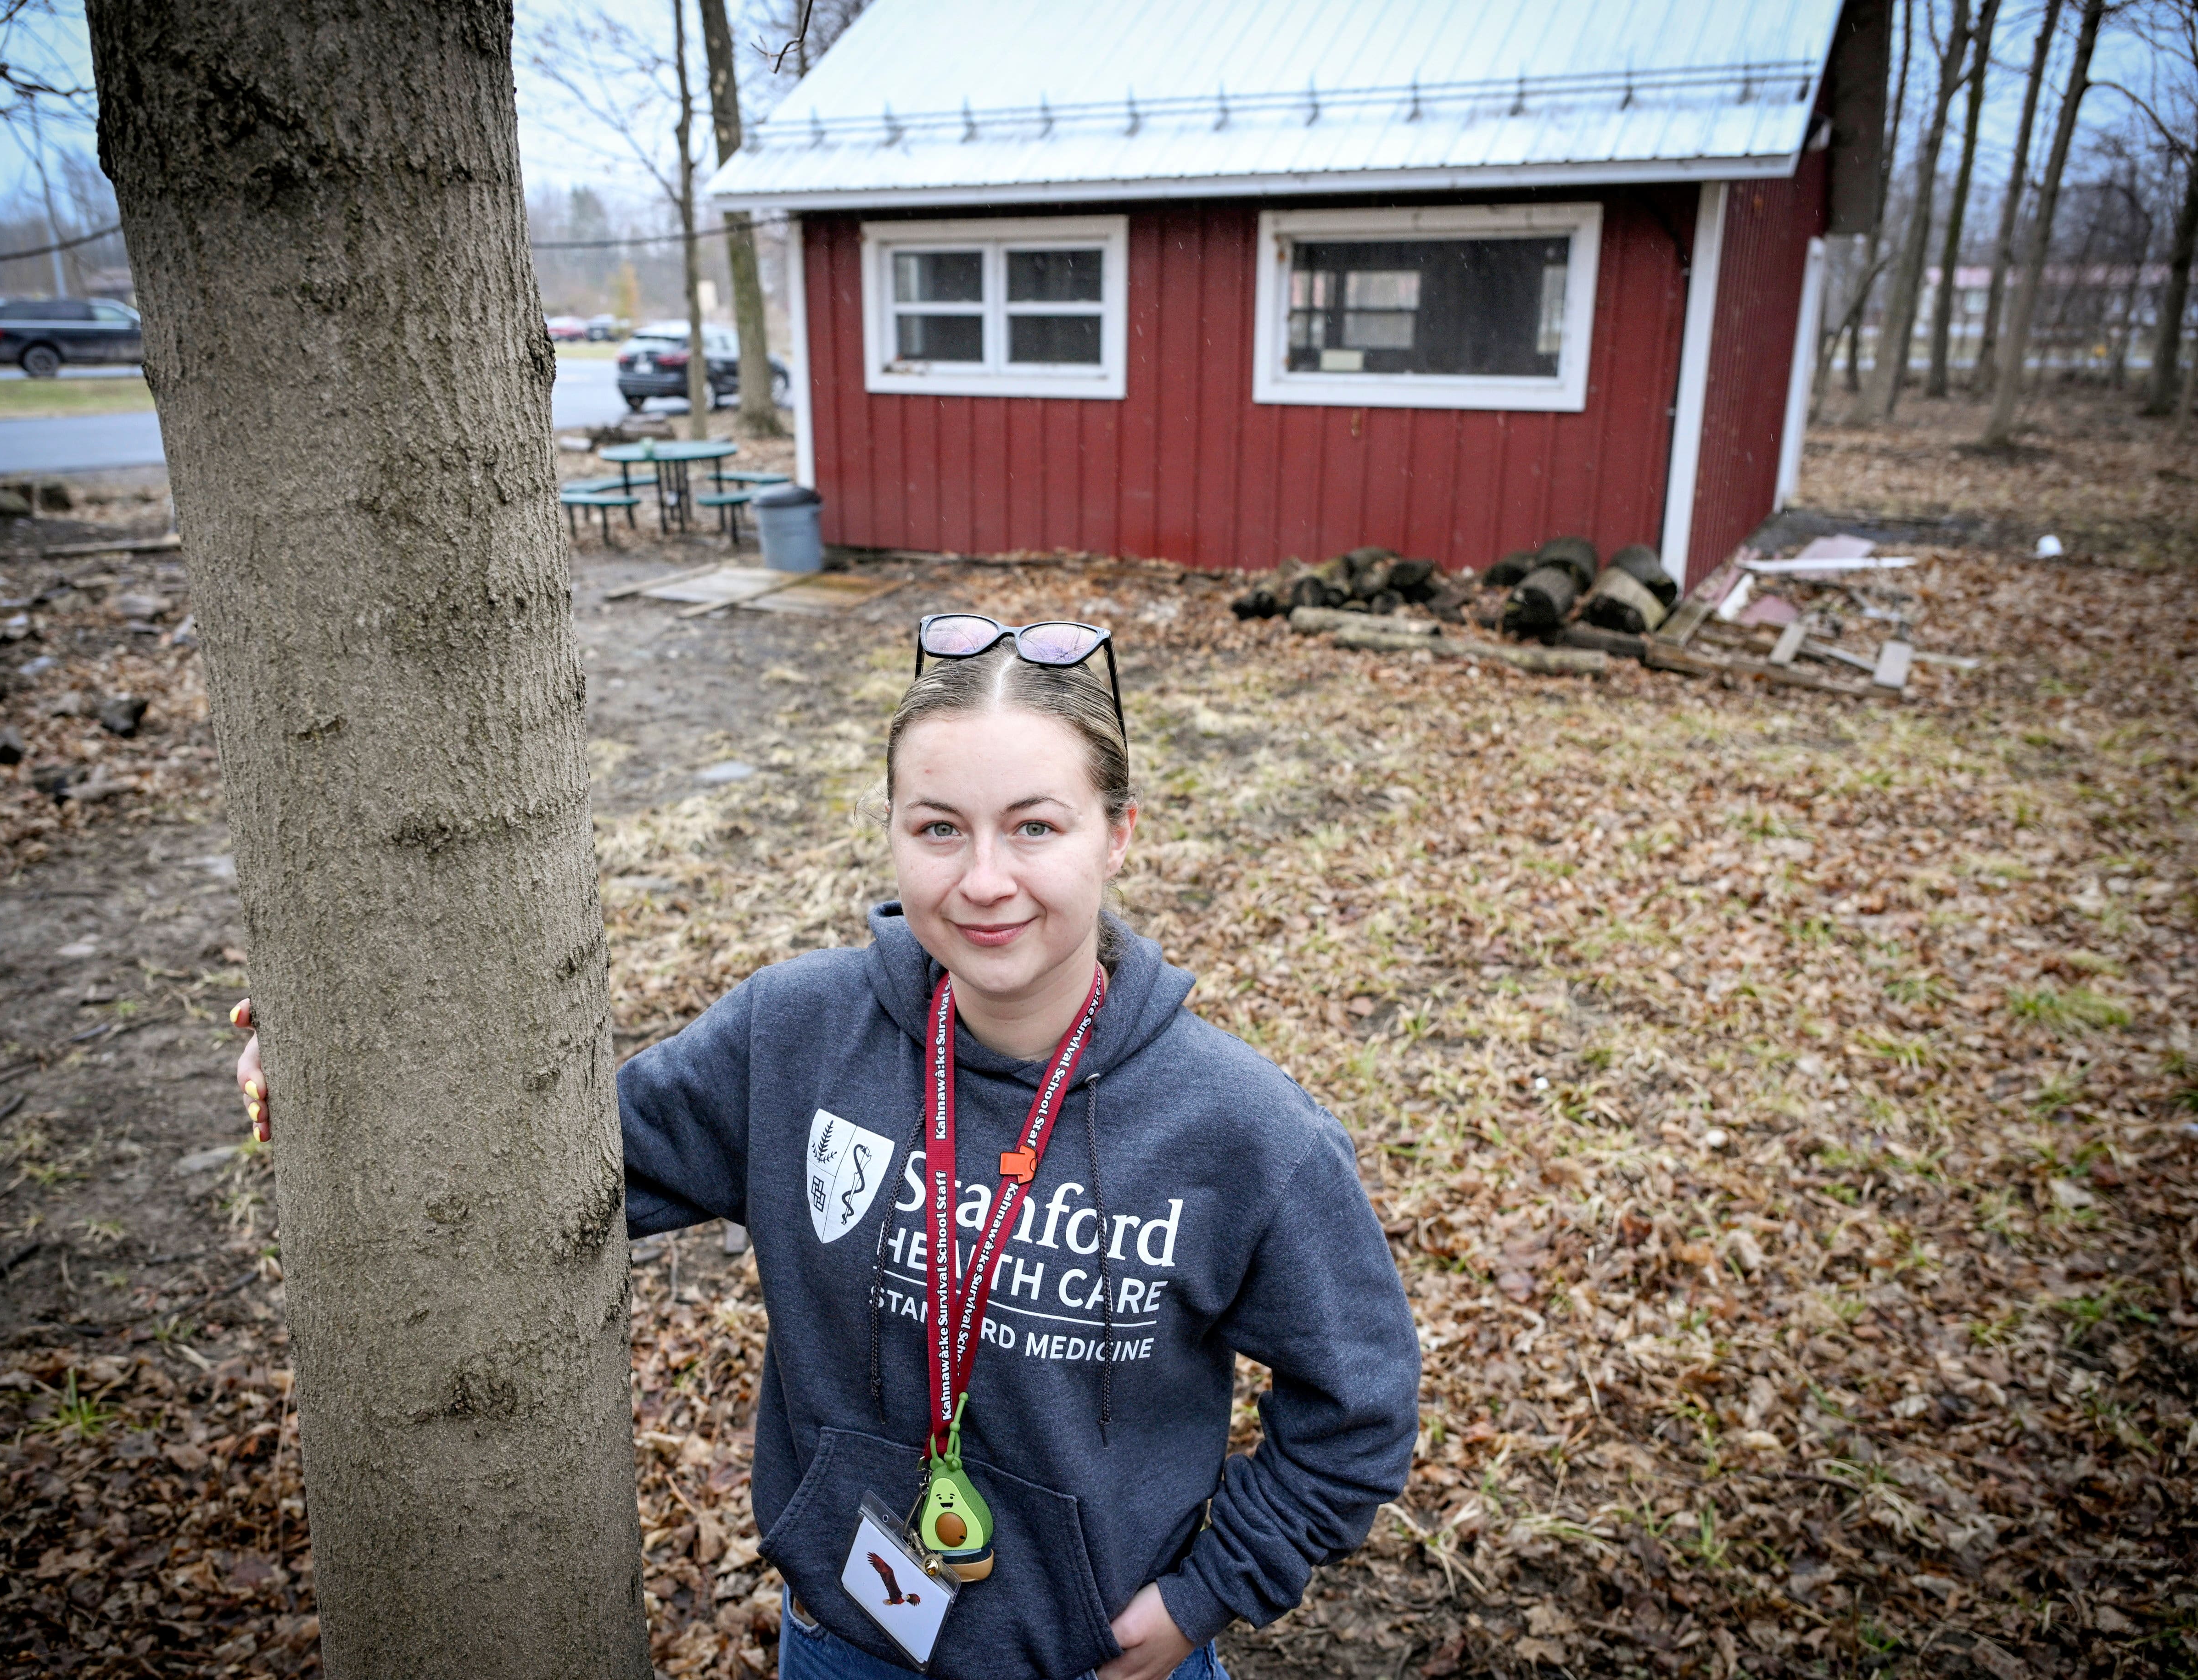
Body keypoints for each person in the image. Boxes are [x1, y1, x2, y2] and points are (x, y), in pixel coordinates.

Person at [236, 614, 1421, 1680]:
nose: (986, 879)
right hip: (849, 1642)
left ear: (1118, 836)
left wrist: (1207, 1595)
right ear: (894, 833)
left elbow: (1360, 1404)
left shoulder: (1243, 1131)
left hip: (1097, 1666)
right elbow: (569, 1150)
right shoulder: (793, 1040)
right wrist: (356, 1091)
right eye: (940, 828)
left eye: (1037, 827)